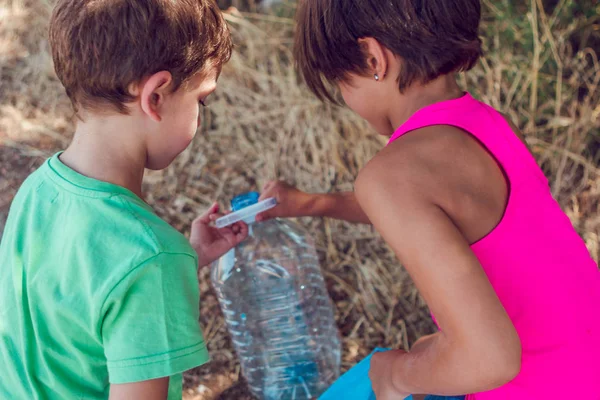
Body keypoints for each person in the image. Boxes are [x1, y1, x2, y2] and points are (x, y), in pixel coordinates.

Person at [257, 0, 600, 399]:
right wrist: (312, 204)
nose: (345, 99)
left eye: (340, 83)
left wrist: (397, 374)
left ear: (372, 58)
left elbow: (489, 359)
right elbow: (431, 212)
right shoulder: (486, 124)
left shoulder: (392, 176)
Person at [0, 1, 248, 399]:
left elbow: (81, 295)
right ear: (156, 97)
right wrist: (163, 264)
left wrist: (185, 259)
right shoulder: (149, 259)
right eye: (201, 100)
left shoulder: (38, 189)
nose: (201, 115)